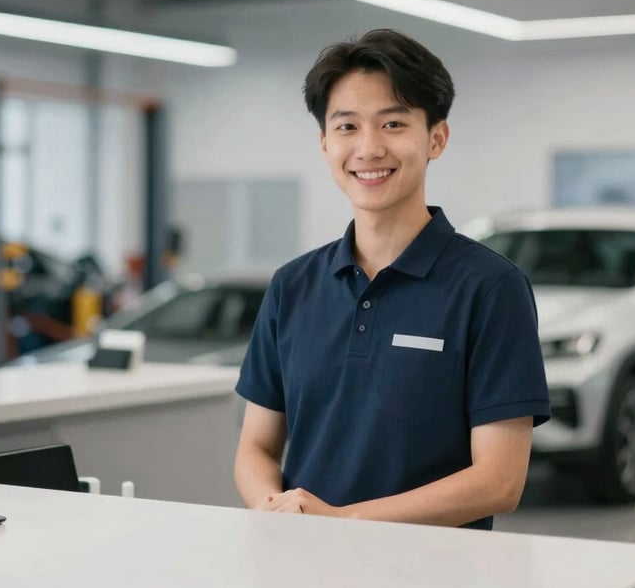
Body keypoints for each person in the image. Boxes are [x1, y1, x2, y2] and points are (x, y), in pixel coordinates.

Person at [234, 29, 550, 529]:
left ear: (436, 139)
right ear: (324, 143)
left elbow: (499, 481)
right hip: (301, 576)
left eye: (393, 123)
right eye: (347, 127)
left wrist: (343, 520)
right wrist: (275, 510)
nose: (369, 148)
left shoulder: (490, 287)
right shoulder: (292, 286)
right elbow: (256, 446)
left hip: (439, 585)